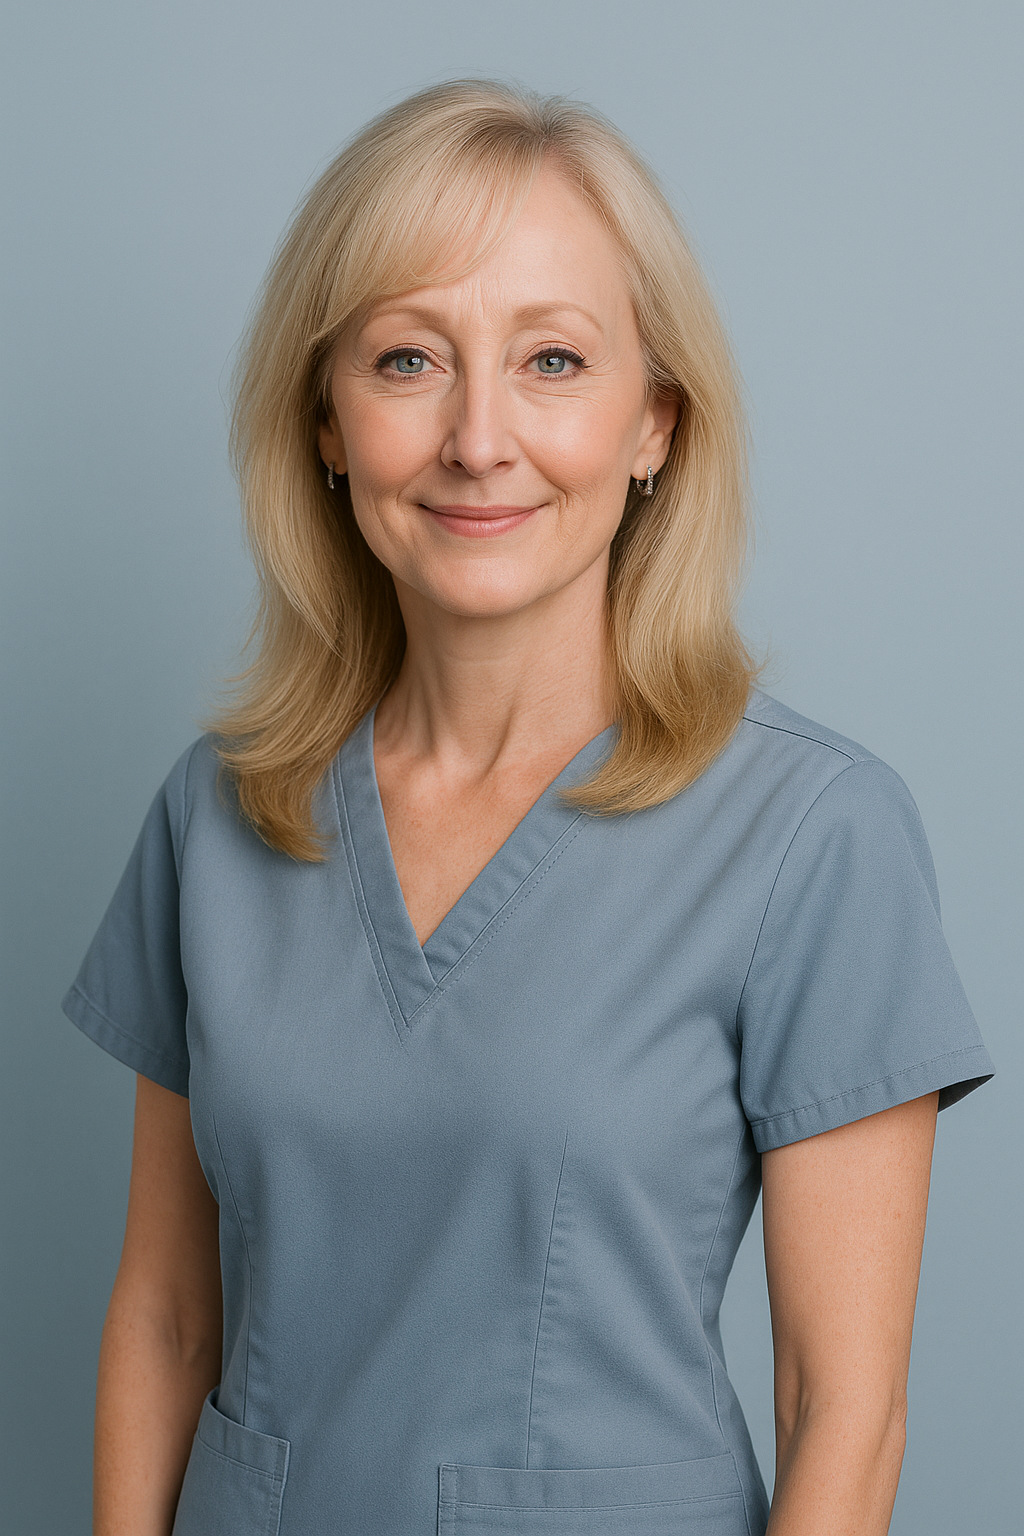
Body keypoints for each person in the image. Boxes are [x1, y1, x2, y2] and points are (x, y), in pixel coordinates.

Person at [63, 79, 994, 1536]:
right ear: (326, 422)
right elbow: (168, 1317)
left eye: (553, 359)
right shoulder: (218, 818)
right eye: (409, 360)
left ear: (655, 427)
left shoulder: (815, 836)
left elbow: (845, 1413)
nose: (479, 439)